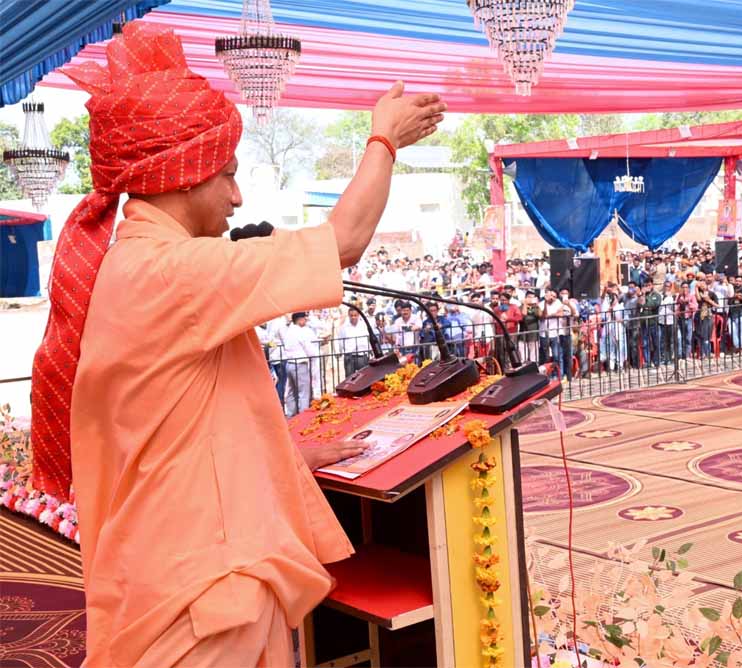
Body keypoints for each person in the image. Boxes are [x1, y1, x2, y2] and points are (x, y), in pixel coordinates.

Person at [30, 23, 446, 667]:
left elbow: (176, 425)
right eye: (226, 175)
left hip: (180, 571)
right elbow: (344, 242)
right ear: (181, 175)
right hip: (201, 590)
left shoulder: (137, 265)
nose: (237, 196)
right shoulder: (171, 271)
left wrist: (285, 454)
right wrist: (383, 138)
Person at [280, 311, 321, 415]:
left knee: (291, 391)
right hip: (300, 363)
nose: (306, 320)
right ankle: (303, 416)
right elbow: (309, 349)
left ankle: (291, 414)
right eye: (304, 318)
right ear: (300, 320)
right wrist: (315, 354)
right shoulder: (300, 332)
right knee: (303, 392)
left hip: (289, 363)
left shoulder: (288, 331)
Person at [337, 307, 372, 377]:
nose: (353, 317)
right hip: (349, 356)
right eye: (351, 315)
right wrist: (342, 351)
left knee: (364, 377)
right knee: (350, 378)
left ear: (358, 315)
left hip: (362, 354)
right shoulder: (344, 328)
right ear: (348, 316)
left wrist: (370, 350)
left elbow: (368, 338)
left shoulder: (364, 326)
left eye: (355, 315)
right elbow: (340, 341)